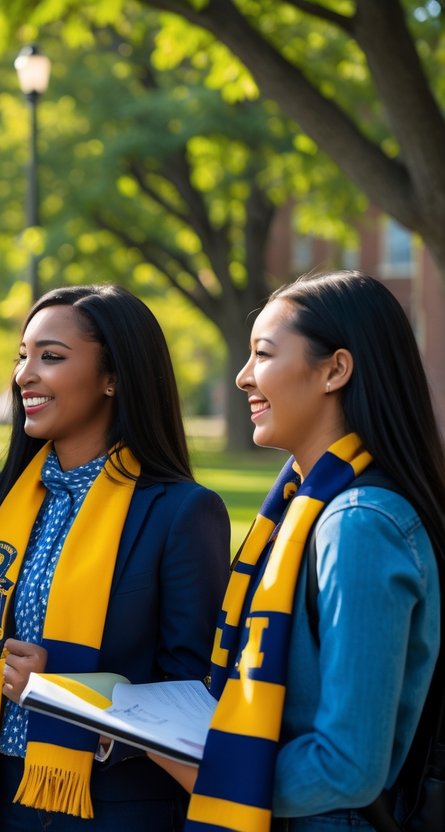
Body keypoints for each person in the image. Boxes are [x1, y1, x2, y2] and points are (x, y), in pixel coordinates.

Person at [153, 271, 444, 831]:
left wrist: (218, 778)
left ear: (335, 369)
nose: (242, 378)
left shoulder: (358, 524)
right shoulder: (295, 509)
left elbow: (349, 766)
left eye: (262, 354)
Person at [0, 284, 231, 832]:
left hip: (110, 809)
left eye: (50, 356)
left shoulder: (182, 514)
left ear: (113, 377)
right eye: (22, 356)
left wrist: (69, 695)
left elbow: (196, 693)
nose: (25, 374)